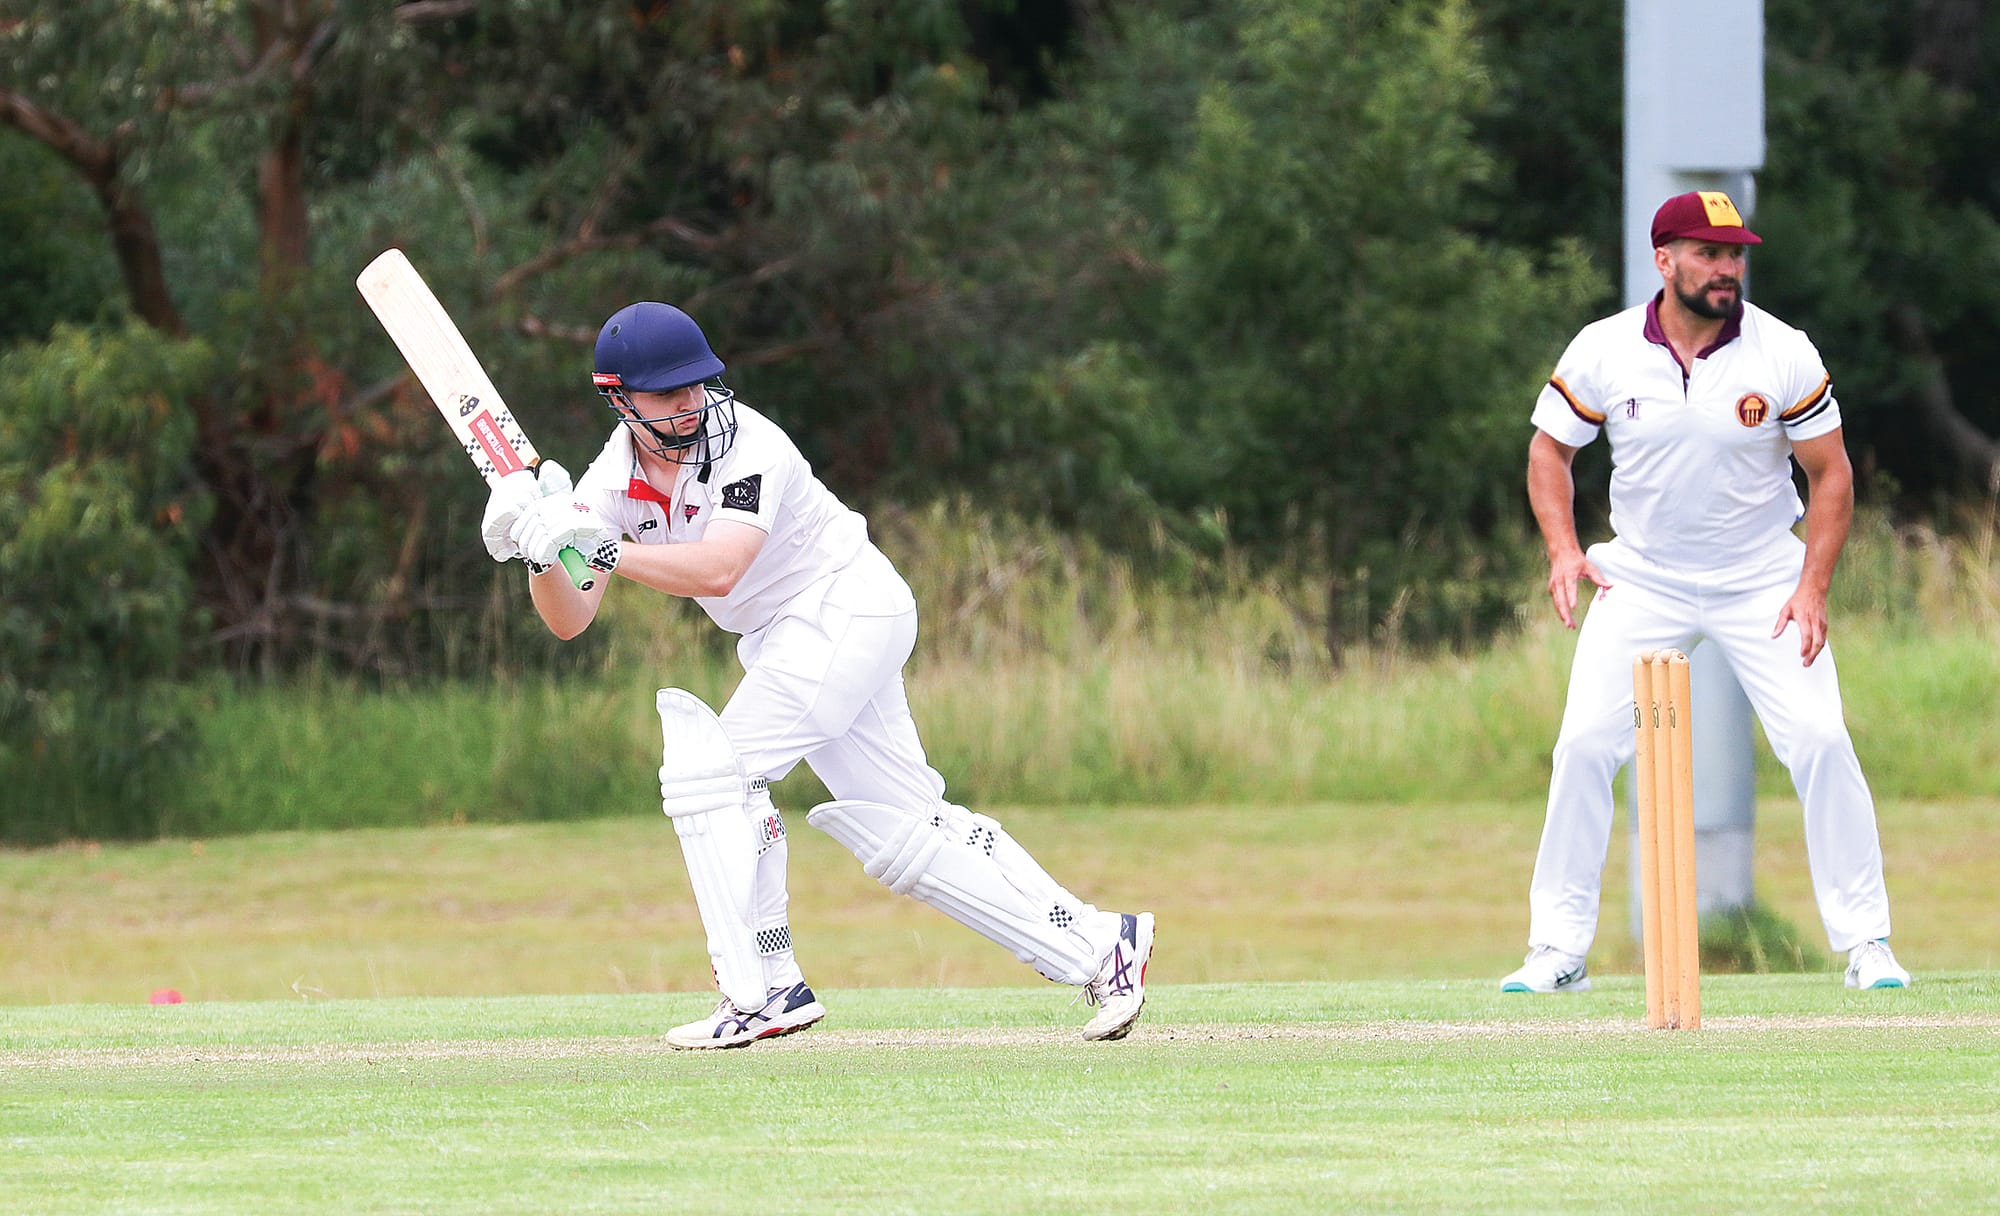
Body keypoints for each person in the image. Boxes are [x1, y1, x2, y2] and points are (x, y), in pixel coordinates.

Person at [478, 300, 1155, 1048]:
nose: (691, 405)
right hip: (786, 638)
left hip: (846, 604)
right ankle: (1101, 945)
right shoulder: (610, 483)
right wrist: (540, 551)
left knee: (717, 775)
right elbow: (569, 617)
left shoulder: (751, 446)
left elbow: (720, 567)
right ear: (619, 399)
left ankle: (767, 989)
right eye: (669, 395)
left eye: (698, 385)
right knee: (905, 833)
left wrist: (596, 547)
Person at [1502, 190, 1910, 995]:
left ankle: (1868, 944)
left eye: (1735, 255)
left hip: (1761, 576)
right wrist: (1560, 550)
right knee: (1583, 745)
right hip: (1642, 575)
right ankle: (1558, 949)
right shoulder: (1605, 348)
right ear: (1665, 260)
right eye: (1709, 253)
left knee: (1822, 740)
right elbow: (1550, 453)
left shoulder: (1781, 350)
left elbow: (1831, 474)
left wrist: (1812, 585)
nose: (1727, 270)